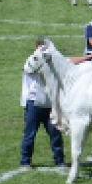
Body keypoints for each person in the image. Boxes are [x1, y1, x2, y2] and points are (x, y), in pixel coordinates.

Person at [20, 38, 67, 170]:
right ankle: (25, 161)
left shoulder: (52, 61)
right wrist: (42, 58)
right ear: (37, 47)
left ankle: (60, 161)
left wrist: (88, 57)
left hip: (49, 104)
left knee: (55, 134)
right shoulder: (32, 59)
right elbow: (29, 69)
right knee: (30, 134)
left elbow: (67, 62)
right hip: (34, 103)